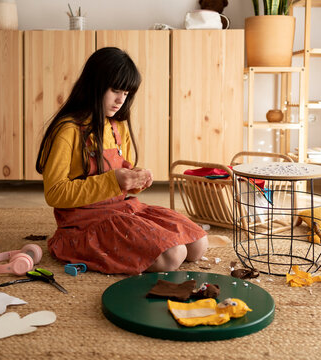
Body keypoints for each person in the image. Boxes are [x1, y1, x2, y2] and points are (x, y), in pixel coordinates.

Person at [36, 47, 208, 275]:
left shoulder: (117, 126)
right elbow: (55, 193)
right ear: (93, 86)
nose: (120, 100)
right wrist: (113, 181)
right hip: (83, 223)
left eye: (126, 93)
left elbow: (120, 181)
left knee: (198, 244)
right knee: (173, 255)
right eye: (115, 90)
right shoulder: (68, 130)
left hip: (122, 210)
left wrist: (136, 180)